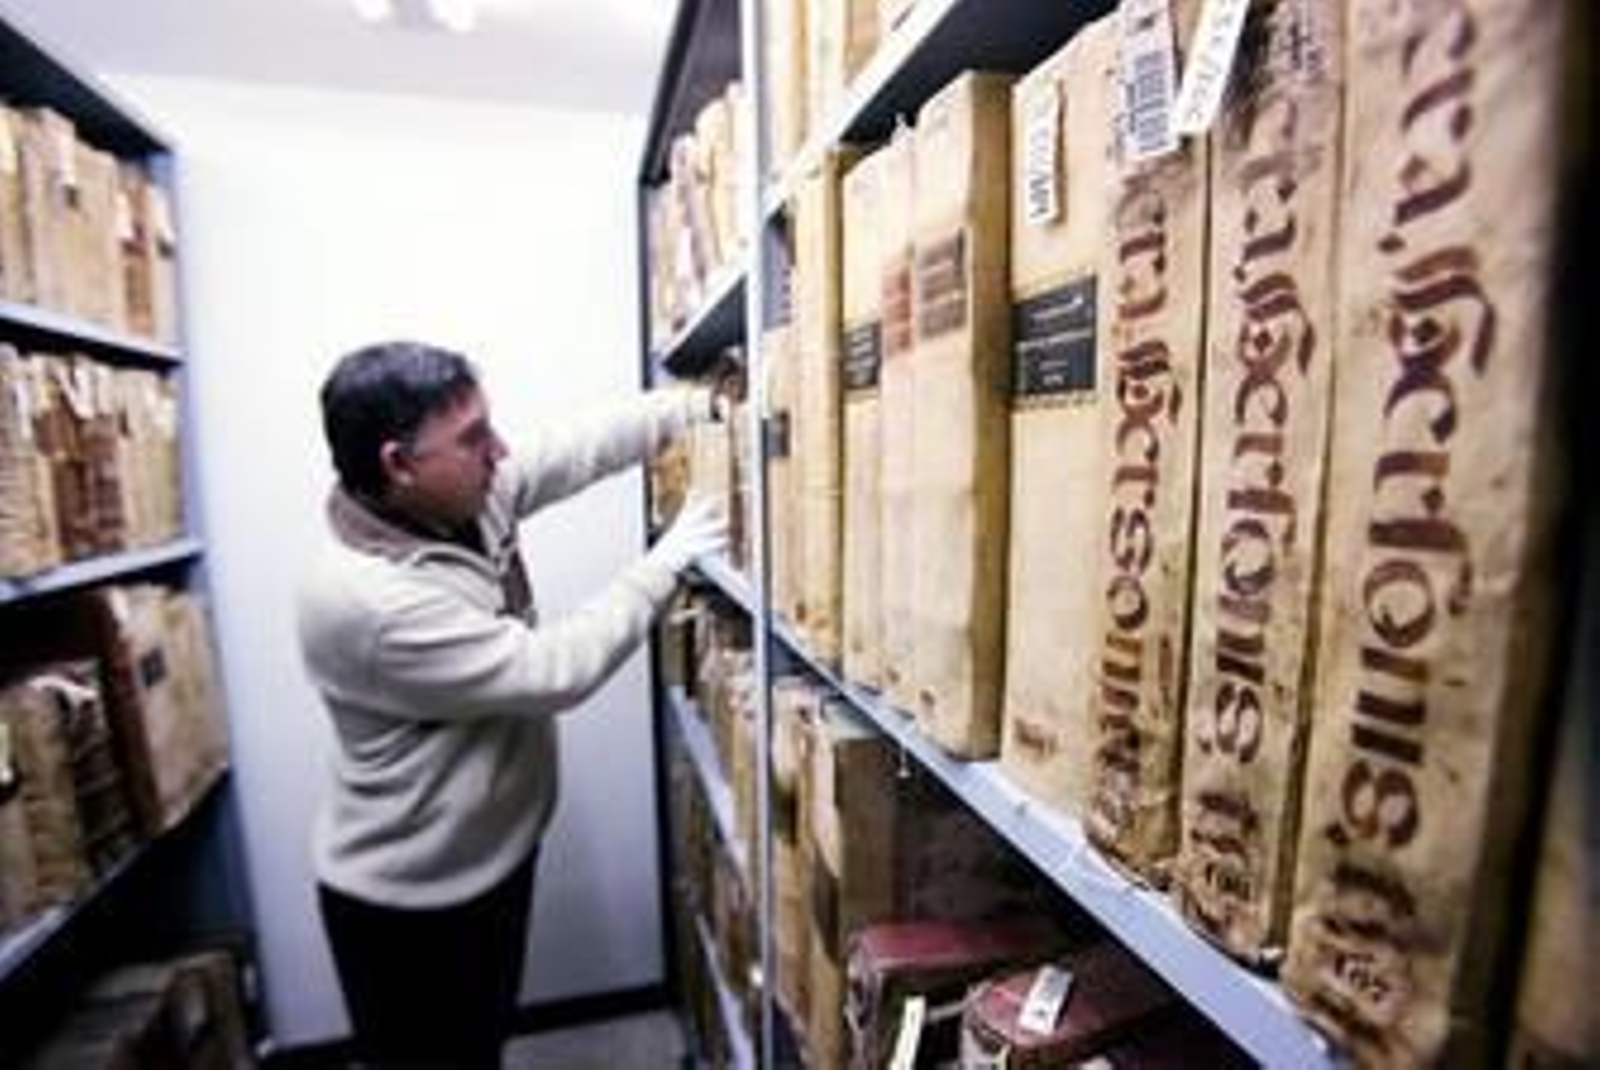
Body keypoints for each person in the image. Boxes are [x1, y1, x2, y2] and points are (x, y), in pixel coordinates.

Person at [296, 339, 729, 1068]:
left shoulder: (460, 495)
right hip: (413, 900)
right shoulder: (365, 604)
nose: (498, 451)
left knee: (482, 1044)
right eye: (472, 438)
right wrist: (666, 561)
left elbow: (577, 448)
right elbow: (555, 670)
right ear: (398, 464)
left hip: (491, 855)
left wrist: (696, 406)